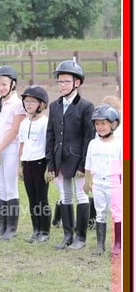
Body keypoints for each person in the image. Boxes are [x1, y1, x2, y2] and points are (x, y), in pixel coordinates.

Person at [45, 59, 95, 250]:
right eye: (60, 81)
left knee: (81, 196)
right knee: (65, 196)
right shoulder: (54, 106)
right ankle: (68, 235)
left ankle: (80, 237)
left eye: (66, 81)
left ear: (77, 82)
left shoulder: (86, 106)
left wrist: (84, 165)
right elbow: (50, 135)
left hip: (78, 159)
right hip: (60, 159)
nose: (62, 85)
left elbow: (89, 138)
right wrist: (51, 163)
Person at [0, 65, 26, 240]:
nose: (1, 87)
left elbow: (14, 130)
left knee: (10, 187)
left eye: (4, 84)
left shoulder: (18, 105)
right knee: (0, 188)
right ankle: (2, 226)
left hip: (10, 149)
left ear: (12, 84)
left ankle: (11, 227)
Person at [84, 105, 122, 256]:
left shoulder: (119, 143)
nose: (100, 127)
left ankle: (118, 244)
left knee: (117, 213)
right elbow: (88, 164)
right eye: (97, 124)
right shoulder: (93, 143)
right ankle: (100, 245)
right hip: (98, 182)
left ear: (114, 124)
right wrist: (87, 181)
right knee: (100, 212)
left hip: (115, 183)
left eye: (103, 123)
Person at [18, 85, 51, 243]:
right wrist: (20, 165)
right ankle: (36, 229)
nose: (28, 104)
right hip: (27, 163)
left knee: (41, 198)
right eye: (26, 101)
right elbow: (22, 144)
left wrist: (49, 167)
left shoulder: (45, 123)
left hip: (40, 163)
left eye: (32, 101)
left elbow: (49, 146)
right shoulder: (24, 123)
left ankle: (44, 231)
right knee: (32, 199)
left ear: (41, 104)